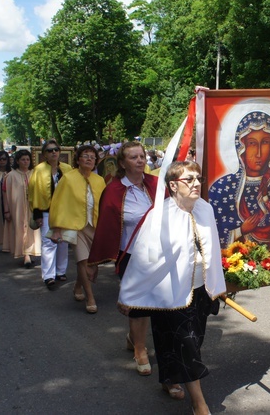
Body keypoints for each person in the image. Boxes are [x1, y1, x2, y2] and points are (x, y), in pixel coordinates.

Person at [118, 161, 226, 414]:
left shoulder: (205, 209)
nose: (197, 183)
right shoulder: (159, 215)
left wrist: (217, 284)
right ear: (173, 186)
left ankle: (169, 379)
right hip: (168, 293)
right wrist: (129, 294)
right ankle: (199, 402)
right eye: (190, 179)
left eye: (198, 177)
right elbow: (143, 258)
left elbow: (212, 249)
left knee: (187, 341)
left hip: (200, 290)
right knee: (186, 344)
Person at [89, 141, 161, 375]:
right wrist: (95, 261)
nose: (140, 160)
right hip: (130, 255)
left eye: (142, 156)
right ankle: (140, 348)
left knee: (156, 302)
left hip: (158, 254)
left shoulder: (156, 185)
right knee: (138, 303)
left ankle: (133, 337)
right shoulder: (114, 190)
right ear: (122, 163)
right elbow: (104, 226)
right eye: (133, 157)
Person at [208, 111, 270, 250]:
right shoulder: (222, 188)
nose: (258, 153)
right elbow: (212, 231)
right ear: (241, 147)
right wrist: (240, 230)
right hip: (233, 264)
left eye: (265, 142)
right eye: (252, 143)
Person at [48, 144, 106, 313]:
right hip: (75, 225)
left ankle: (78, 286)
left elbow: (104, 204)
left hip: (94, 226)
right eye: (85, 156)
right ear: (78, 159)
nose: (89, 159)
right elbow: (59, 203)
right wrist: (57, 228)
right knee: (82, 260)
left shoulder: (99, 180)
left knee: (94, 262)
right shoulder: (68, 178)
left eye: (92, 157)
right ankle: (90, 297)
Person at [29, 140, 73, 289]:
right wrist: (37, 214)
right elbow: (33, 192)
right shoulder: (38, 170)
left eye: (56, 150)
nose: (53, 152)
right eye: (49, 150)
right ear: (44, 154)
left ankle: (61, 271)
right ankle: (48, 275)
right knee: (48, 243)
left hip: (64, 211)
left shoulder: (67, 169)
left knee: (63, 242)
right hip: (46, 211)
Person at [3, 150, 41, 268]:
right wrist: (7, 210)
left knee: (32, 229)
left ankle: (30, 252)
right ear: (18, 161)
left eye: (28, 159)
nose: (26, 162)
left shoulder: (35, 174)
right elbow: (5, 193)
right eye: (23, 159)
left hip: (32, 207)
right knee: (20, 229)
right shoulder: (10, 176)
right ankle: (25, 255)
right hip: (17, 208)